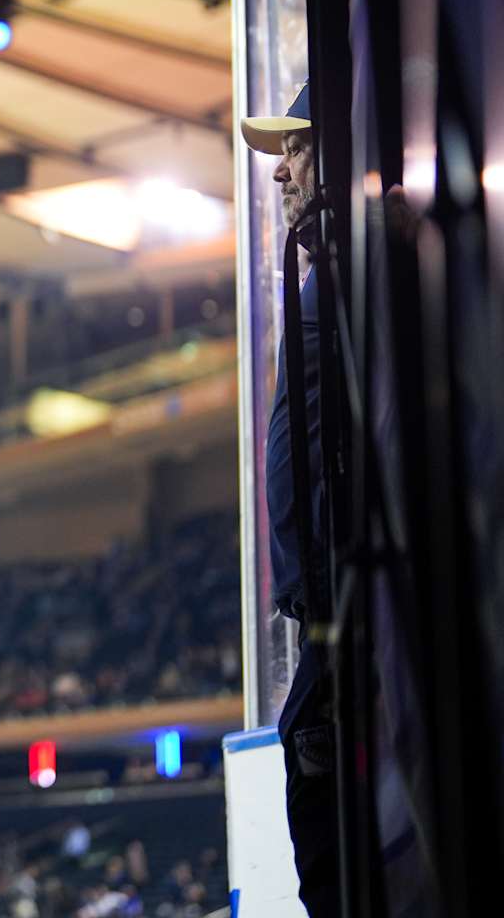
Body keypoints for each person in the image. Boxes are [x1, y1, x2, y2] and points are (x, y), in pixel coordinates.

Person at [242, 84, 340, 917]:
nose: (280, 174)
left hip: (346, 608)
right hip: (328, 606)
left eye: (296, 150)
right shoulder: (328, 273)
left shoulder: (350, 274)